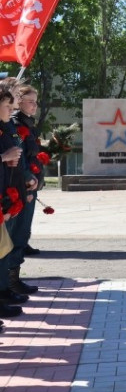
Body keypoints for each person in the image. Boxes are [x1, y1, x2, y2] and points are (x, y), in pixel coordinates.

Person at [6, 84, 44, 293]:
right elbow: (19, 159)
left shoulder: (28, 124)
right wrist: (28, 183)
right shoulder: (15, 124)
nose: (35, 105)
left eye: (36, 101)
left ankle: (14, 279)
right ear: (18, 102)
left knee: (22, 234)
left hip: (28, 185)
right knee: (16, 235)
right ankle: (9, 283)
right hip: (21, 186)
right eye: (30, 101)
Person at [0, 86, 28, 318]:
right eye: (8, 105)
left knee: (5, 248)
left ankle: (5, 289)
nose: (12, 108)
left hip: (7, 192)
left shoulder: (7, 126)